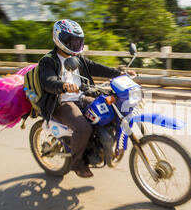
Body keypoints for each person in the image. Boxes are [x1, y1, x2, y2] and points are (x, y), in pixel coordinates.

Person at [38, 19, 135, 178]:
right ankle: (77, 163)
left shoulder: (78, 57)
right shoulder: (49, 61)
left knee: (111, 111)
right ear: (59, 38)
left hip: (82, 96)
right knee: (84, 128)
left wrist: (120, 73)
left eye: (78, 41)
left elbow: (96, 67)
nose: (75, 44)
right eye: (71, 41)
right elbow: (47, 81)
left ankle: (101, 147)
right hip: (61, 102)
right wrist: (63, 86)